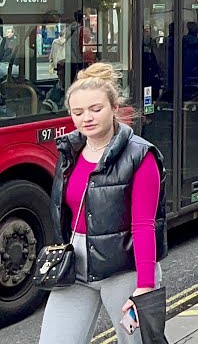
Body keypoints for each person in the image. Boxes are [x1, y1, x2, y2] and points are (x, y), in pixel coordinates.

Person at [40, 64, 166, 344]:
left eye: (96, 109)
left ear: (114, 107)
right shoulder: (69, 152)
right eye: (78, 112)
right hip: (75, 265)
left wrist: (145, 286)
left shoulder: (141, 156)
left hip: (124, 267)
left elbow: (144, 224)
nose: (87, 118)